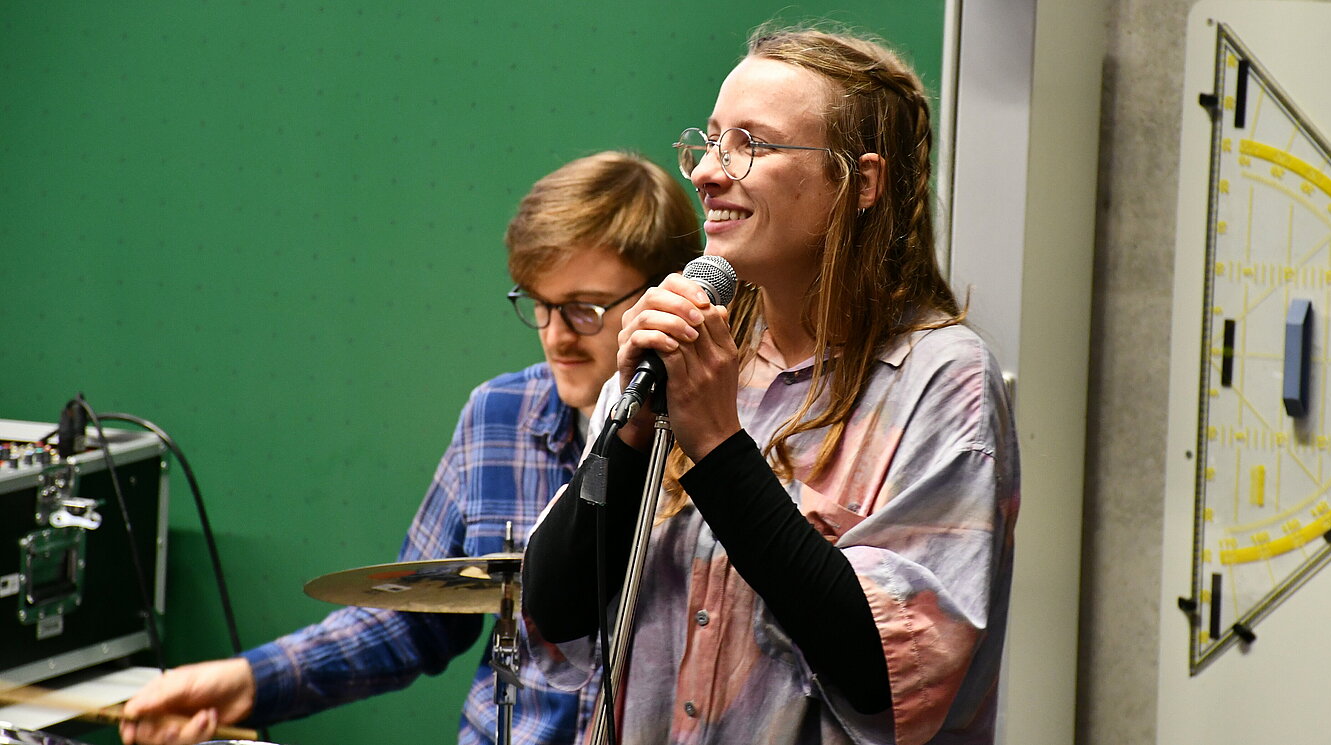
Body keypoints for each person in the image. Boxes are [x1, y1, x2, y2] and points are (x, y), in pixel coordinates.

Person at [521, 26, 1019, 745]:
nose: (707, 173)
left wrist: (718, 445)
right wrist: (631, 433)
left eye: (750, 144)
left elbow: (883, 672)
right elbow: (555, 609)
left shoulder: (943, 380)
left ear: (861, 182)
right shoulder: (689, 351)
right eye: (711, 140)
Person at [119, 151, 702, 745]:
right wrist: (246, 681)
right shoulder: (499, 414)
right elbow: (412, 621)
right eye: (538, 304)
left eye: (584, 310)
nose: (554, 337)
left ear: (663, 296)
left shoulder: (719, 435)